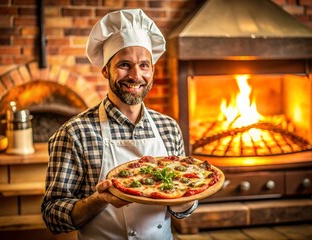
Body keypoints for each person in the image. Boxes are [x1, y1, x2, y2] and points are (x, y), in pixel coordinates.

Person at [41, 8, 198, 240]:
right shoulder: (75, 133)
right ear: (105, 70)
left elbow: (182, 210)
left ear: (152, 70)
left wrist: (188, 194)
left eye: (144, 65)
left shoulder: (168, 127)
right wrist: (99, 199)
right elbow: (52, 215)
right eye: (124, 64)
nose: (136, 75)